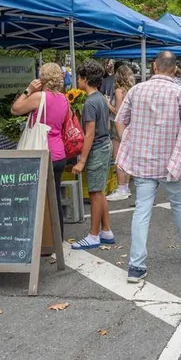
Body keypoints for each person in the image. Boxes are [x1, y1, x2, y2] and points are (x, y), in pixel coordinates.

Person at [115, 51, 181, 283]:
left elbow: (120, 120)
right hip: (170, 161)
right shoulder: (180, 92)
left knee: (142, 210)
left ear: (154, 67)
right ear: (175, 69)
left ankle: (136, 266)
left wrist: (128, 141)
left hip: (143, 161)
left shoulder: (136, 90)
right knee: (179, 204)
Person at [11, 63, 70, 238]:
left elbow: (15, 109)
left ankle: (36, 238)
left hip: (40, 152)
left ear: (42, 78)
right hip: (58, 154)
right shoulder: (64, 99)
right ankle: (57, 237)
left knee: (33, 197)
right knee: (54, 198)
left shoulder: (38, 97)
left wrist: (28, 90)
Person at [71, 60, 114, 250]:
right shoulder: (101, 98)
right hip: (104, 145)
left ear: (85, 79)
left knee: (95, 193)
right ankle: (106, 230)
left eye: (79, 77)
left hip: (96, 148)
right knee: (100, 190)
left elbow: (89, 133)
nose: (77, 80)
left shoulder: (90, 102)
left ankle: (93, 235)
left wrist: (82, 160)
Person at [106, 64, 136, 202]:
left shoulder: (119, 91)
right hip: (130, 125)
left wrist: (107, 103)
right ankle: (126, 186)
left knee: (118, 157)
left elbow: (118, 112)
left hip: (118, 126)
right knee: (127, 156)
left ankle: (121, 187)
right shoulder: (132, 90)